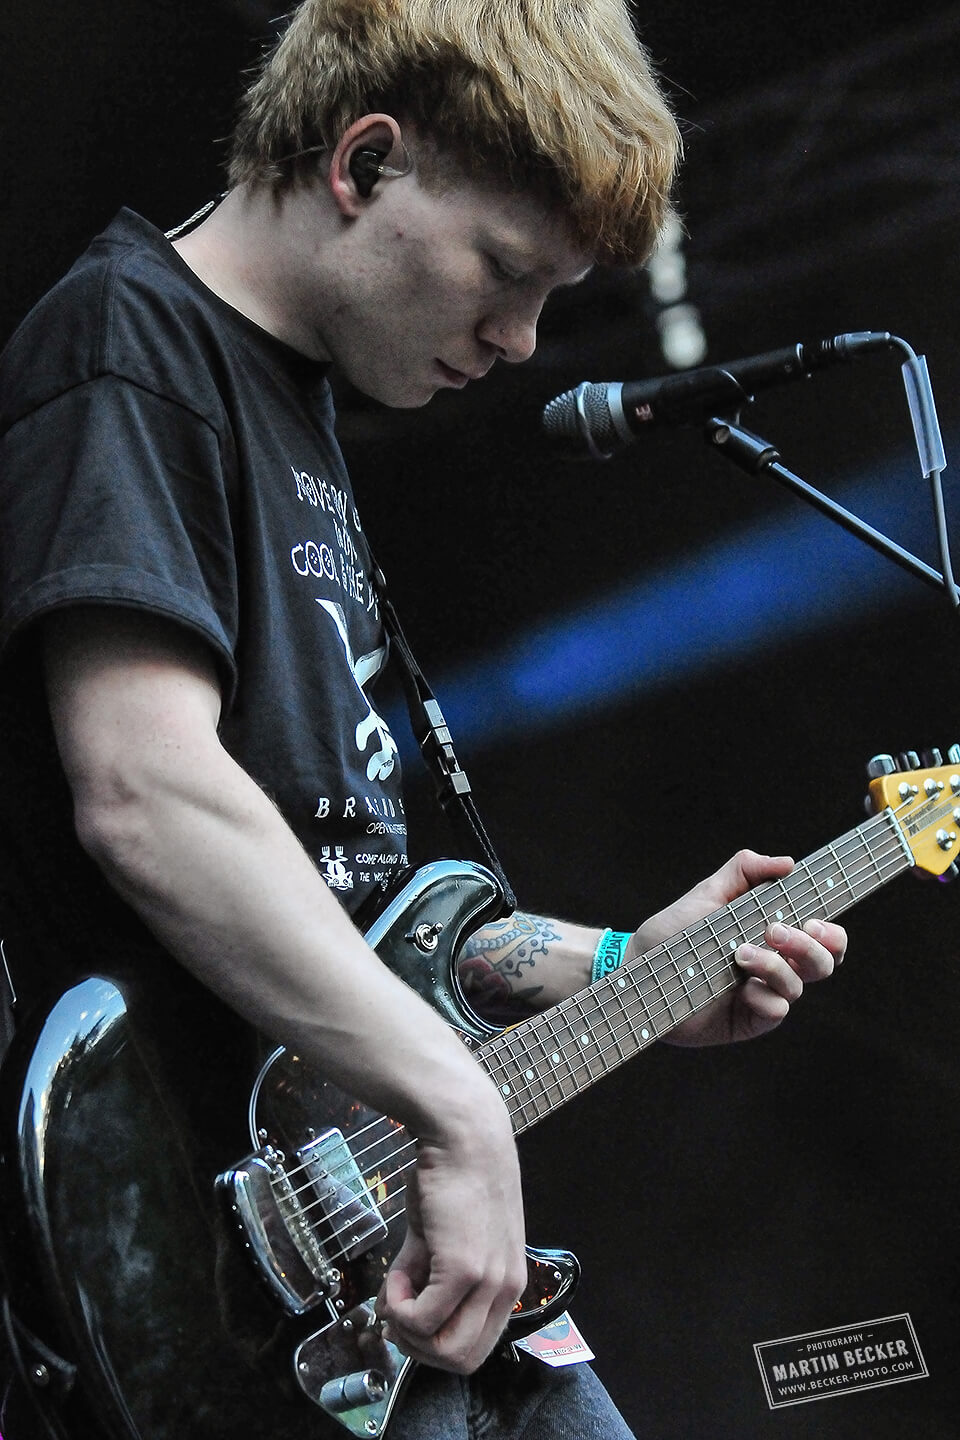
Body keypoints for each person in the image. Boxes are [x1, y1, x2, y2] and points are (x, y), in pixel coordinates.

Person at [0, 1, 846, 1436]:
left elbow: (371, 901)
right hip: (207, 1269)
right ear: (365, 162)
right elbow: (147, 790)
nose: (521, 339)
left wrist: (628, 966)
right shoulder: (129, 345)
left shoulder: (297, 411)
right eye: (505, 272)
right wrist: (453, 1104)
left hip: (362, 1244)